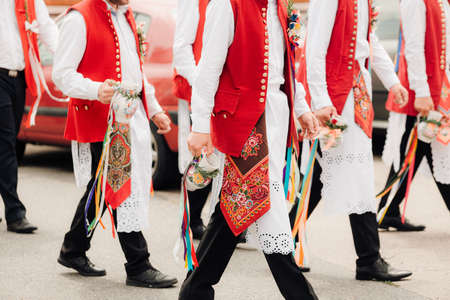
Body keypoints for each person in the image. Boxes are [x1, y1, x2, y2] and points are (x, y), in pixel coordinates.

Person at [178, 1, 319, 299]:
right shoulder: (228, 5)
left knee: (237, 206)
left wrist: (302, 108)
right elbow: (208, 68)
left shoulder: (281, 7)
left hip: (276, 119)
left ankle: (195, 291)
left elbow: (288, 68)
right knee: (258, 202)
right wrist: (200, 124)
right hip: (246, 123)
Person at [52, 0, 177, 288]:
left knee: (102, 187)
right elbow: (61, 73)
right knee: (119, 185)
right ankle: (138, 264)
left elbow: (136, 70)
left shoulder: (127, 15)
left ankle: (73, 249)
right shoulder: (79, 17)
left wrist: (155, 109)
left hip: (127, 118)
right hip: (101, 119)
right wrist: (95, 90)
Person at [299, 0, 413, 281]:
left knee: (333, 174)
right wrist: (321, 99)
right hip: (336, 96)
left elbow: (367, 40)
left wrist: (393, 81)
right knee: (339, 173)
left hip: (355, 94)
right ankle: (368, 259)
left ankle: (366, 259)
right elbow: (314, 47)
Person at [379, 0, 450, 231]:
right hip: (420, 94)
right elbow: (413, 47)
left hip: (437, 90)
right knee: (421, 149)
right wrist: (422, 91)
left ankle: (387, 211)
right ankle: (386, 210)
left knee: (424, 149)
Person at [0, 0, 57, 233]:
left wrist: (70, 59)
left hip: (19, 78)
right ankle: (15, 213)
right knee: (6, 144)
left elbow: (47, 29)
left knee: (8, 142)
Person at [173, 0, 210, 239]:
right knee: (199, 154)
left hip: (222, 89)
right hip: (196, 87)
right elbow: (182, 46)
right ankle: (192, 218)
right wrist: (202, 83)